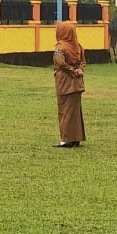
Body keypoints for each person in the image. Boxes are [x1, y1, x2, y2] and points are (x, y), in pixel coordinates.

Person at [52, 20, 86, 149]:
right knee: (75, 112)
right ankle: (76, 138)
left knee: (64, 110)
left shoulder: (60, 48)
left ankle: (66, 139)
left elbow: (60, 63)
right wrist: (79, 70)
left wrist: (72, 71)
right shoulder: (78, 46)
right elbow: (83, 61)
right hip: (77, 83)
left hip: (64, 83)